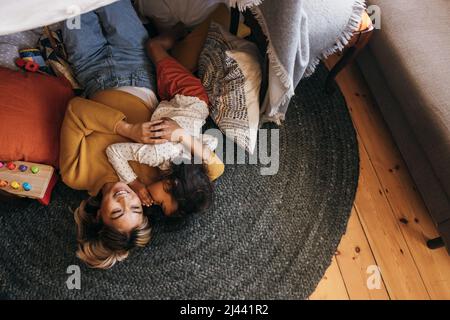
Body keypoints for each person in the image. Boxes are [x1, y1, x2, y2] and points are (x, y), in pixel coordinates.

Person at [59, 0, 224, 269]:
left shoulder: (74, 174)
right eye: (135, 209)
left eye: (116, 211)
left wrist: (126, 129)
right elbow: (213, 170)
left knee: (67, 6)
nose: (126, 200)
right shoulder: (155, 179)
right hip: (137, 64)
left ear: (98, 215)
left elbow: (76, 110)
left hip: (90, 68)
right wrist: (179, 135)